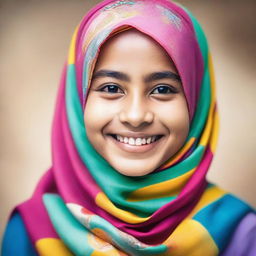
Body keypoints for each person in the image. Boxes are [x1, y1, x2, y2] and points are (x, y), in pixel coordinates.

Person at [1, 0, 255, 255]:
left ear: (197, 100)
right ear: (77, 100)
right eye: (111, 88)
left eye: (162, 90)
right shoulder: (32, 231)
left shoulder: (242, 234)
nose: (135, 116)